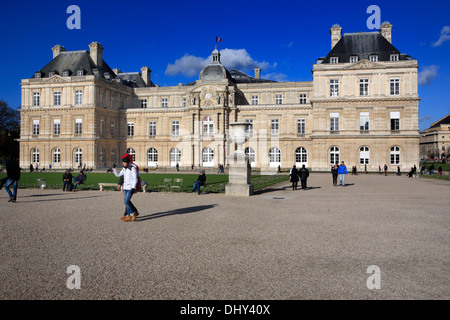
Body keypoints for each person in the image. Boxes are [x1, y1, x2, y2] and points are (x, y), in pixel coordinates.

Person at [112, 154, 139, 222]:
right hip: (125, 187)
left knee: (126, 201)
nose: (123, 164)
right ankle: (128, 215)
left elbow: (135, 178)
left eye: (124, 162)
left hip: (130, 188)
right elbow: (118, 175)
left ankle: (132, 213)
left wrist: (133, 187)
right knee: (126, 202)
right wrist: (115, 168)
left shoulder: (132, 168)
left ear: (127, 162)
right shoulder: (124, 168)